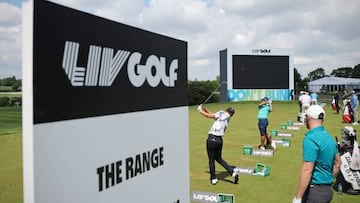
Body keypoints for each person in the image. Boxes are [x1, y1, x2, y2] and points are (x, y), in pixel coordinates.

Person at [293, 105, 341, 203]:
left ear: (309, 118)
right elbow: (338, 163)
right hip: (328, 190)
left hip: (314, 192)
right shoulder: (329, 138)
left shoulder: (310, 139)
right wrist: (328, 180)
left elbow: (307, 169)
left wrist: (297, 197)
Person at [197, 104, 239, 185]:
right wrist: (205, 109)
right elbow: (213, 115)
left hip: (212, 139)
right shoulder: (226, 118)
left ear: (226, 110)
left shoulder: (221, 113)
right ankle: (232, 173)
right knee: (219, 159)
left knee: (211, 160)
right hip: (219, 140)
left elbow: (210, 116)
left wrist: (200, 111)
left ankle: (213, 178)